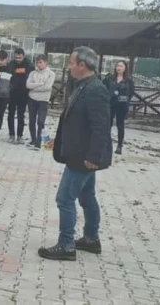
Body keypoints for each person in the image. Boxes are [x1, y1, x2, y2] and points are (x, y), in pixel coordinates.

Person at [39, 46, 112, 261]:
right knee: (87, 195)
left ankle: (66, 244)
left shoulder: (95, 89)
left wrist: (93, 157)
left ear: (82, 65)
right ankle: (91, 239)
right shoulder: (82, 85)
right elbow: (74, 120)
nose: (68, 66)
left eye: (71, 62)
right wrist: (58, 139)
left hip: (84, 156)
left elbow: (101, 127)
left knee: (65, 198)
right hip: (80, 152)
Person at [104, 61, 134, 155]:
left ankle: (119, 146)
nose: (119, 68)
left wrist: (125, 99)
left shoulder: (129, 80)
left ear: (125, 68)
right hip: (111, 104)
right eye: (117, 66)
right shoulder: (110, 78)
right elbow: (103, 87)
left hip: (121, 105)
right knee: (107, 124)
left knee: (120, 125)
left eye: (121, 66)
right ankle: (106, 144)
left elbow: (131, 92)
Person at [26, 55, 56, 149]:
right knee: (32, 120)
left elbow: (47, 87)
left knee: (41, 121)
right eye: (37, 62)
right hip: (32, 98)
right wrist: (40, 84)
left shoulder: (51, 74)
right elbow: (28, 85)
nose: (39, 64)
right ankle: (33, 140)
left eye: (41, 62)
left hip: (43, 100)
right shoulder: (32, 73)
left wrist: (34, 87)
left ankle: (39, 141)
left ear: (46, 63)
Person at [7, 48, 35, 144]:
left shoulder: (29, 64)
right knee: (10, 114)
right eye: (16, 57)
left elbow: (29, 76)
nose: (18, 59)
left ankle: (19, 135)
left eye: (20, 58)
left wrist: (18, 73)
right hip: (12, 92)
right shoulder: (11, 64)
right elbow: (10, 75)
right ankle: (11, 134)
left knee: (20, 115)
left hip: (23, 93)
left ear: (23, 56)